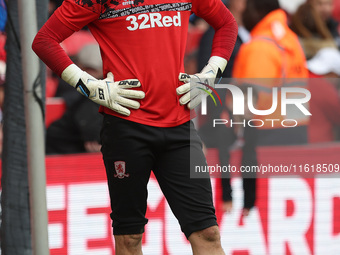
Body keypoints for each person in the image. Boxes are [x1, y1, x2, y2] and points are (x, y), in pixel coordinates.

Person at [32, 0, 238, 254]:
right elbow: (44, 40)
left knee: (208, 232)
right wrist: (88, 84)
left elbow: (227, 23)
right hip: (126, 128)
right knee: (130, 237)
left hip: (179, 126)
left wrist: (211, 74)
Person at [233, 0, 309, 146]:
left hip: (266, 134)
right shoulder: (290, 38)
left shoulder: (260, 46)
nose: (242, 13)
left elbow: (252, 100)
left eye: (245, 8)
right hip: (296, 130)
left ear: (256, 10)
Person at [46, 43, 103, 154]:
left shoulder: (107, 86)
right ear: (78, 65)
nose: (89, 74)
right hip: (61, 149)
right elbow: (88, 122)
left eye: (93, 70)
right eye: (85, 69)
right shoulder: (68, 82)